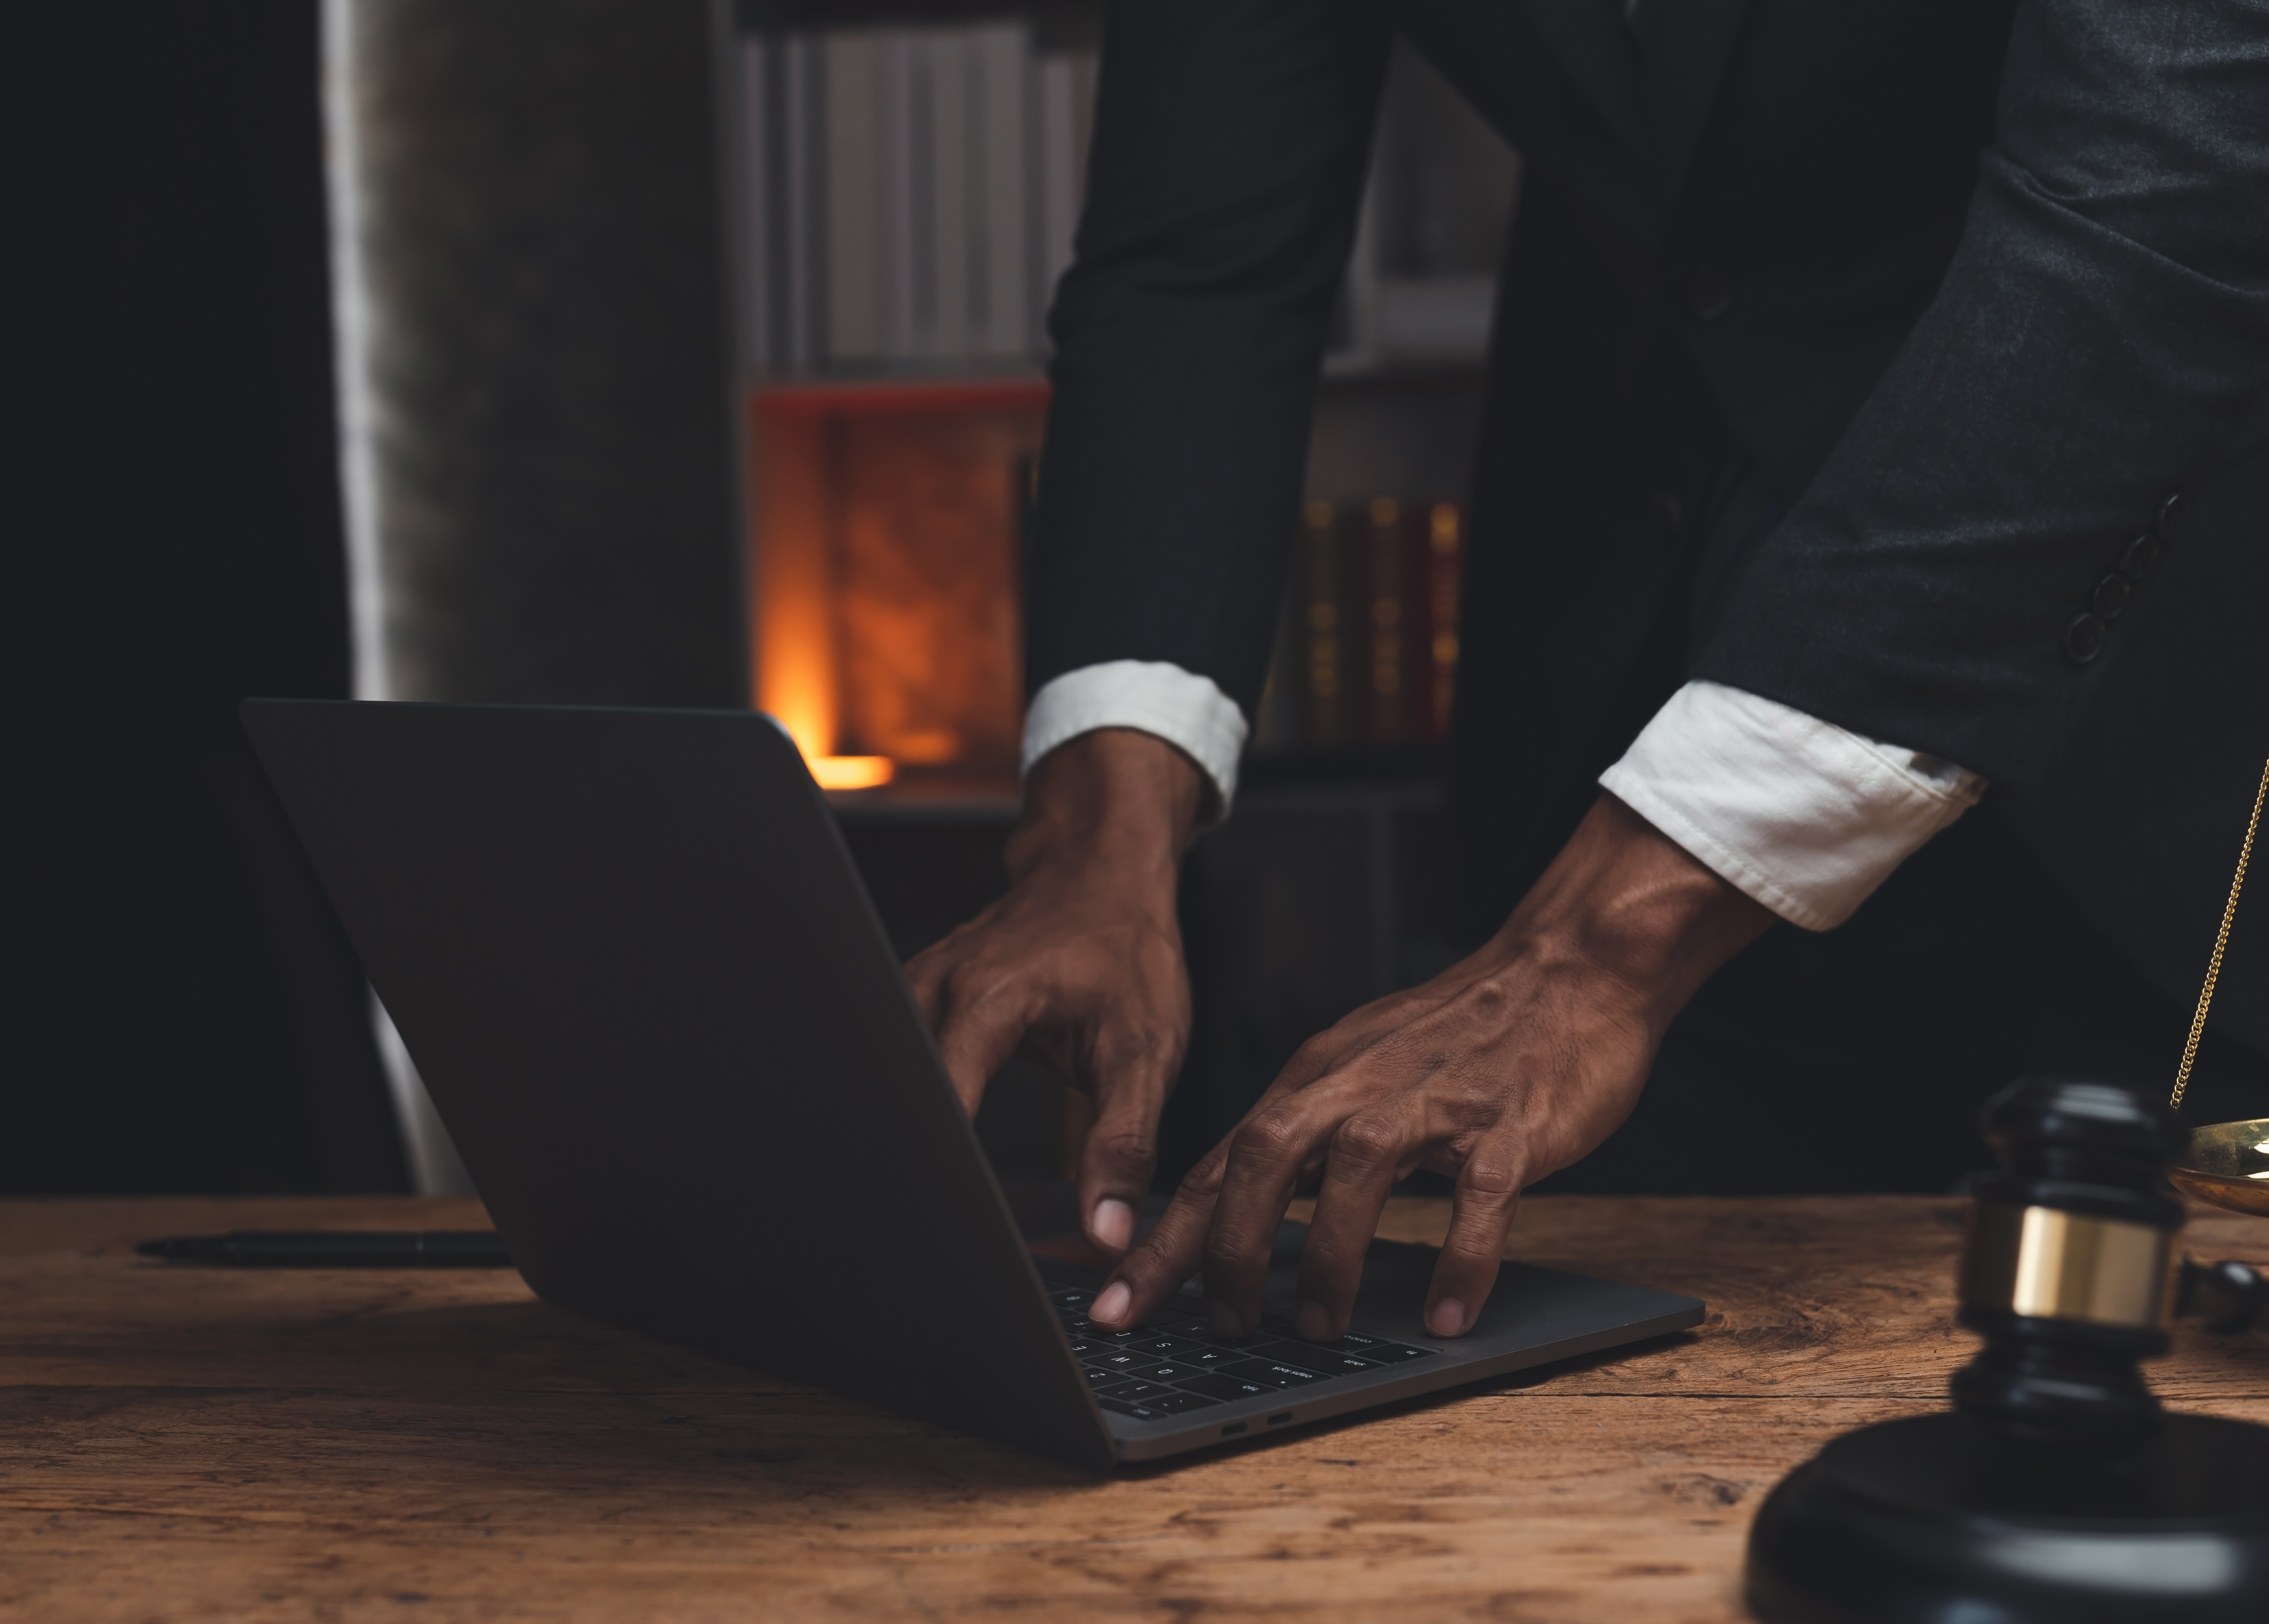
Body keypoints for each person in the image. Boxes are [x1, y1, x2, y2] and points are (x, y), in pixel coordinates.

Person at [909, 0, 2269, 1348]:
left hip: (2163, 735)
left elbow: (2157, 185)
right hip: (1616, 692)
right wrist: (1101, 838)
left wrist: (1601, 942)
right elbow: (1197, 256)